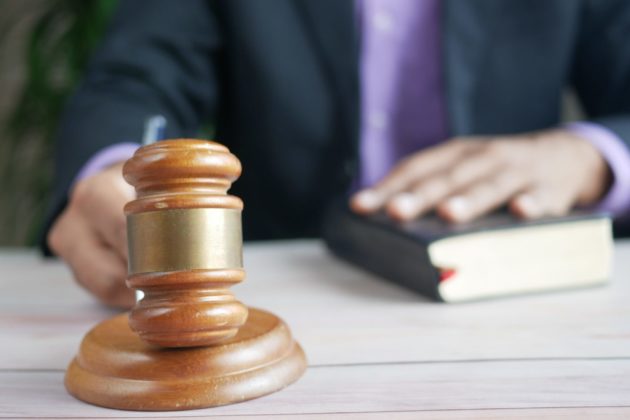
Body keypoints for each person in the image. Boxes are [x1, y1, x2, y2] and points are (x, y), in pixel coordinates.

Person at [46, 0, 630, 307]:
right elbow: (134, 81)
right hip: (280, 283)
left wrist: (592, 156)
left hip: (520, 296)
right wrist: (112, 173)